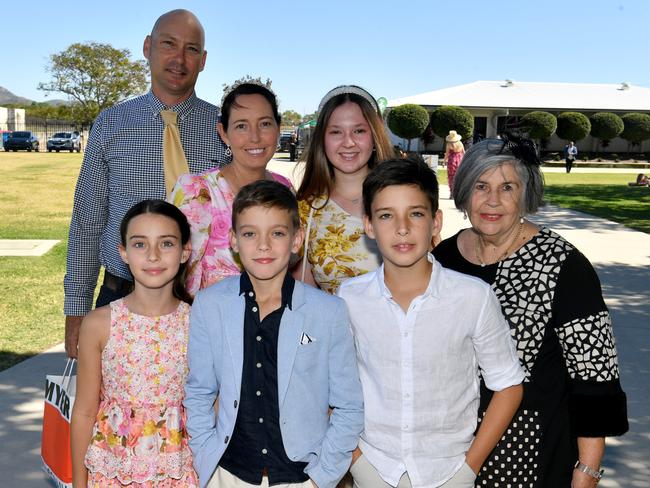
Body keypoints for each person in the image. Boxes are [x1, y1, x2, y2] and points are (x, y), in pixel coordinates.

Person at [433, 136, 629, 487]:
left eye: (507, 187)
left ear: (525, 194)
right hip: (445, 452)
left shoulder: (564, 265)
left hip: (533, 455)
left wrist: (587, 471)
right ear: (464, 191)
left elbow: (596, 379)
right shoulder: (444, 259)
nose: (493, 200)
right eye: (481, 186)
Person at [337, 157, 524, 488]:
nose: (402, 228)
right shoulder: (349, 298)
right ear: (368, 225)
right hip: (373, 467)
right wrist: (357, 462)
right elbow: (328, 385)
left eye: (416, 213)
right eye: (386, 216)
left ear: (436, 222)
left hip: (449, 471)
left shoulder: (472, 297)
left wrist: (469, 468)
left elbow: (508, 384)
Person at [64, 9, 229, 358]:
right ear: (147, 47)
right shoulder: (110, 124)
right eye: (169, 44)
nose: (179, 59)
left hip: (206, 305)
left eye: (192, 49)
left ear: (203, 61)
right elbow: (87, 222)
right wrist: (76, 307)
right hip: (121, 296)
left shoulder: (225, 129)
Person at [184, 180, 364, 488]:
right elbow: (199, 391)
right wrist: (206, 458)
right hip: (228, 474)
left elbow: (349, 406)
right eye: (250, 233)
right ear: (233, 240)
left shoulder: (329, 312)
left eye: (277, 233)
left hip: (300, 477)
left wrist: (321, 478)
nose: (263, 245)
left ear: (296, 240)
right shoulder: (209, 304)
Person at [71, 199, 198, 487]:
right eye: (140, 244)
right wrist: (80, 482)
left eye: (166, 243)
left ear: (184, 251)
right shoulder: (99, 323)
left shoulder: (198, 323)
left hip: (180, 470)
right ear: (123, 252)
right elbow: (84, 410)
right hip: (112, 470)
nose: (153, 255)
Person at [169, 82, 292, 297]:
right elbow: (174, 275)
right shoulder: (196, 192)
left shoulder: (286, 188)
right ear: (223, 133)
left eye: (264, 124)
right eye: (241, 126)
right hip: (210, 324)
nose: (255, 137)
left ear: (278, 129)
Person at [295, 85, 394, 293]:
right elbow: (305, 297)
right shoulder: (306, 210)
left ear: (374, 136)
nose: (348, 142)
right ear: (322, 139)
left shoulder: (404, 200)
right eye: (336, 132)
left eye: (359, 131)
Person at [445, 130, 465, 197]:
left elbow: (447, 154)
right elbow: (464, 152)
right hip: (460, 160)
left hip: (452, 161)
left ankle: (452, 193)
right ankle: (458, 192)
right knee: (459, 177)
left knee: (451, 177)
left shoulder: (449, 145)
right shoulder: (460, 143)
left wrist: (444, 161)